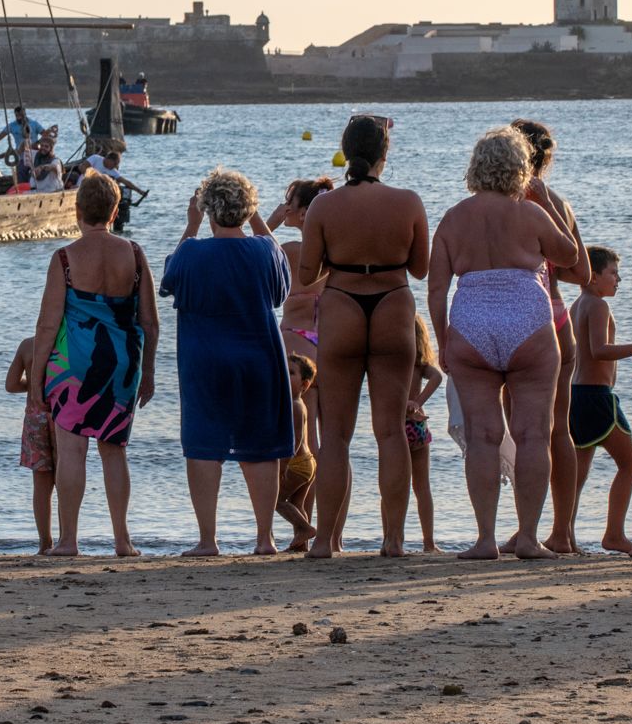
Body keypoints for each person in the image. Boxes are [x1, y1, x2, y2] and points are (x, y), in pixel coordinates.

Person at [428, 126, 579, 560]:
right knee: (534, 433)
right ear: (521, 169)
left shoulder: (454, 218)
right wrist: (547, 201)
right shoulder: (530, 213)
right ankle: (530, 537)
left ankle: (485, 540)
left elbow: (437, 288)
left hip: (472, 321)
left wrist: (442, 338)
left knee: (482, 437)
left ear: (476, 168)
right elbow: (568, 255)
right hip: (528, 321)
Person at [297, 115, 431, 558]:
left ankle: (323, 542)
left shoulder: (323, 207)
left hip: (342, 305)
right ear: (384, 154)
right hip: (392, 302)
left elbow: (308, 271)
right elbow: (420, 268)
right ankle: (393, 540)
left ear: (345, 149)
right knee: (391, 432)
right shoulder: (408, 202)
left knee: (334, 435)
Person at [163, 167, 294, 557]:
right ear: (247, 208)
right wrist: (259, 220)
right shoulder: (263, 251)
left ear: (208, 210)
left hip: (205, 359)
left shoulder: (192, 252)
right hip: (258, 356)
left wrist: (190, 226)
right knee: (262, 445)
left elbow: (170, 280)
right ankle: (264, 538)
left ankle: (208, 539)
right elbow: (281, 286)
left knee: (204, 444)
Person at [27, 172, 157, 558]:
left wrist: (36, 377)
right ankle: (122, 539)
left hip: (73, 365)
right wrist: (148, 371)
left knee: (72, 452)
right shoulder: (133, 253)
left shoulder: (65, 258)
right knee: (113, 449)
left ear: (77, 209)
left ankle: (69, 541)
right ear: (116, 210)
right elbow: (149, 320)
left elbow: (48, 323)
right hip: (122, 364)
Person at [508, 120, 592, 555]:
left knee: (529, 432)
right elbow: (583, 274)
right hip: (555, 318)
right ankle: (555, 529)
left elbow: (582, 272)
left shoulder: (505, 202)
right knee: (552, 430)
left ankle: (545, 529)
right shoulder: (556, 201)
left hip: (527, 321)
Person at [565, 246, 632, 554]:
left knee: (578, 470)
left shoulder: (576, 305)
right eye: (613, 273)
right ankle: (614, 533)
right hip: (596, 395)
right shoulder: (596, 305)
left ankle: (565, 533)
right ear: (593, 276)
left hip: (577, 394)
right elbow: (598, 349)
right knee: (630, 463)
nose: (618, 279)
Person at [269, 177, 334, 361]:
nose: (284, 205)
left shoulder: (291, 251)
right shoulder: (337, 252)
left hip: (295, 337)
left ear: (304, 213)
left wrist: (270, 223)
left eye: (289, 201)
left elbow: (248, 259)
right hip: (331, 341)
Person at [6, 338, 58, 553]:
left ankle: (45, 543)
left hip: (35, 418)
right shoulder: (70, 343)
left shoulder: (28, 346)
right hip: (62, 416)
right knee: (66, 479)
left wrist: (33, 383)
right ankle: (67, 539)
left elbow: (11, 385)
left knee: (41, 486)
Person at [407, 318, 445, 553]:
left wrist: (409, 404)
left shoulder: (395, 361)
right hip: (419, 426)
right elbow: (438, 376)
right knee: (423, 488)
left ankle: (392, 537)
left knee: (393, 486)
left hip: (399, 426)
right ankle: (429, 542)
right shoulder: (420, 364)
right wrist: (418, 403)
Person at [276, 355, 321, 551]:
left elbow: (294, 441)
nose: (285, 375)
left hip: (296, 463)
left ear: (304, 384)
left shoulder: (295, 405)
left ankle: (305, 528)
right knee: (296, 503)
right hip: (307, 463)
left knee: (276, 500)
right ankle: (302, 544)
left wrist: (283, 466)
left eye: (291, 373)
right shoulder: (296, 404)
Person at [0, 104, 46, 184]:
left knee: (35, 174)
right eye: (17, 115)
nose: (19, 117)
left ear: (25, 114)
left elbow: (45, 135)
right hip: (20, 154)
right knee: (21, 174)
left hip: (34, 153)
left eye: (21, 115)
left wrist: (37, 143)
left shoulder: (34, 124)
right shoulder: (12, 126)